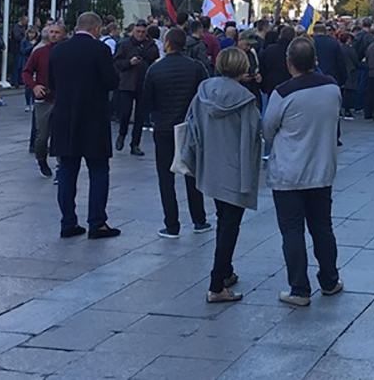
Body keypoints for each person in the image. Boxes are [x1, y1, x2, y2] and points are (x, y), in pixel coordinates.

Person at [263, 36, 343, 307]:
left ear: (289, 63)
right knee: (322, 227)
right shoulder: (332, 88)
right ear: (315, 61)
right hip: (321, 170)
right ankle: (330, 280)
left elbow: (268, 129)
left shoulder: (283, 93)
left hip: (289, 172)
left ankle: (299, 288)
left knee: (292, 231)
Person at [180, 47, 262, 303]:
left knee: (222, 219)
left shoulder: (203, 91)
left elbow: (191, 123)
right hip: (235, 169)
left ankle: (225, 272)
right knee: (230, 225)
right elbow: (255, 133)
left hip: (210, 164)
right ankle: (217, 284)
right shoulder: (246, 100)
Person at [48, 11, 121, 239]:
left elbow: (51, 82)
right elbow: (111, 81)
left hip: (64, 118)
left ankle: (68, 222)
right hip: (93, 119)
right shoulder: (100, 50)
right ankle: (97, 222)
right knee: (99, 170)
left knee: (67, 171)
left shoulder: (58, 49)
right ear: (96, 29)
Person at [141, 28, 211, 238]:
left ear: (168, 43)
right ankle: (199, 220)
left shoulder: (155, 70)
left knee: (166, 177)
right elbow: (204, 96)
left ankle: (172, 224)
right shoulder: (196, 68)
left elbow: (147, 101)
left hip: (163, 127)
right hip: (189, 127)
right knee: (192, 174)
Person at [22, 23, 64, 177]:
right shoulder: (39, 52)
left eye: (57, 32)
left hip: (62, 98)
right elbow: (26, 72)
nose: (54, 35)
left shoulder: (67, 51)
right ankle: (41, 159)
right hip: (44, 99)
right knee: (43, 135)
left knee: (61, 133)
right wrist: (34, 86)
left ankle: (62, 165)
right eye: (51, 32)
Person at [113, 21, 159, 155]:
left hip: (144, 84)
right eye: (138, 31)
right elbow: (116, 62)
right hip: (127, 83)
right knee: (125, 113)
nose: (140, 34)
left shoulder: (150, 45)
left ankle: (135, 144)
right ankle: (122, 134)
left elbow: (154, 57)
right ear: (133, 31)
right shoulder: (125, 44)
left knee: (140, 116)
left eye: (143, 32)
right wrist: (129, 62)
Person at [19, 27, 40, 111]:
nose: (31, 35)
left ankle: (34, 102)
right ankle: (28, 103)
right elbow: (23, 51)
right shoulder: (24, 41)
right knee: (28, 86)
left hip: (36, 65)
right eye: (30, 33)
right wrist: (31, 46)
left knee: (35, 84)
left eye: (33, 33)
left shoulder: (38, 42)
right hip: (27, 63)